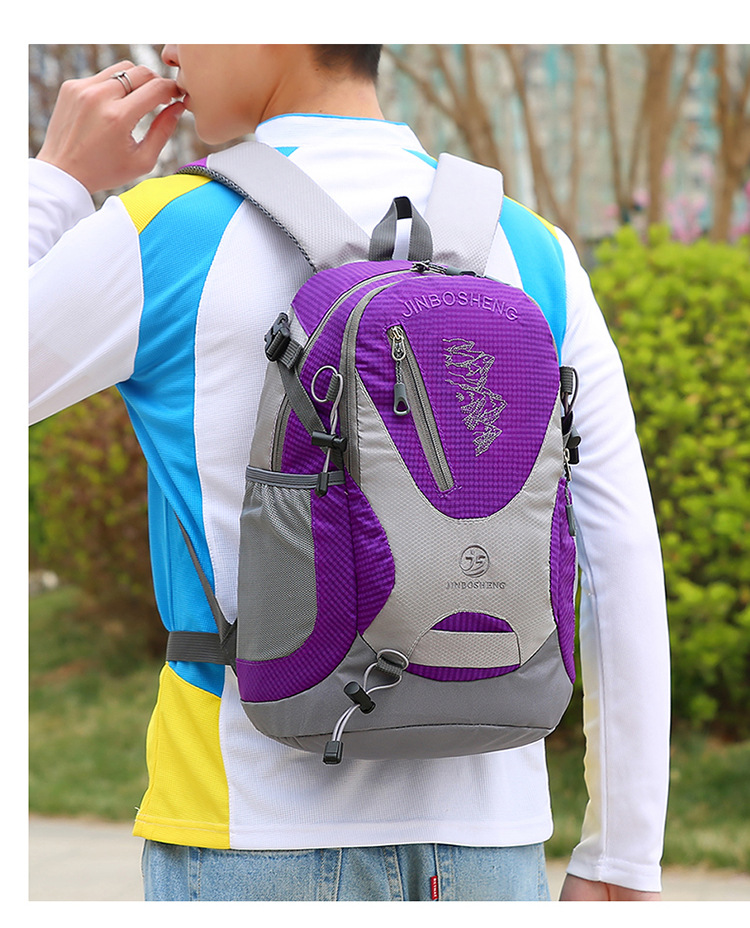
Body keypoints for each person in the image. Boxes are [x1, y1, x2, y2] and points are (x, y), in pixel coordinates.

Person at [29, 44, 670, 902]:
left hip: (251, 830)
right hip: (492, 840)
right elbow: (618, 550)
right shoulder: (533, 246)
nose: (168, 48)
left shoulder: (168, 230)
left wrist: (57, 181)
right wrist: (622, 856)